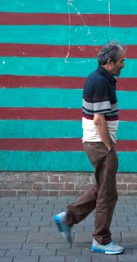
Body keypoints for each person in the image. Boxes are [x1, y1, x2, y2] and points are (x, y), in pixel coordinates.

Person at [54, 41, 126, 255]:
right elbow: (98, 119)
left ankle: (67, 218)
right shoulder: (100, 82)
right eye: (121, 61)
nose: (124, 64)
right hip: (99, 143)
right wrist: (109, 146)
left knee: (101, 187)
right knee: (108, 193)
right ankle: (101, 241)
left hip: (95, 142)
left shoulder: (99, 78)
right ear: (110, 62)